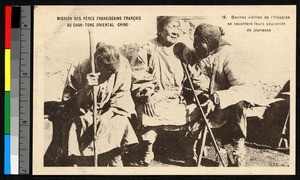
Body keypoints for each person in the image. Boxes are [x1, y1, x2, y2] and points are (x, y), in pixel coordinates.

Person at [182, 23, 254, 167]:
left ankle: (238, 148)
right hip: (206, 95)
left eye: (199, 43)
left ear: (210, 42)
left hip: (229, 97)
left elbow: (242, 87)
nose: (196, 47)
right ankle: (219, 148)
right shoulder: (199, 53)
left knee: (238, 106)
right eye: (194, 43)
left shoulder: (229, 54)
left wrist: (218, 98)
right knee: (201, 109)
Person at [63, 44, 138, 166]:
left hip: (112, 109)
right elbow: (71, 100)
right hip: (86, 110)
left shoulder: (123, 65)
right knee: (81, 122)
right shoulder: (81, 65)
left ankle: (115, 156)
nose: (111, 75)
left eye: (114, 72)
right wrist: (87, 87)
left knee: (121, 121)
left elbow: (122, 93)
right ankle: (84, 161)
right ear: (98, 64)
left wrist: (108, 114)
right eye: (108, 72)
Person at [130, 16, 189, 166]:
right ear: (160, 30)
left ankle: (190, 149)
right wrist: (148, 95)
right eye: (172, 26)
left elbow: (194, 72)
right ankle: (148, 150)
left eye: (178, 27)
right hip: (155, 96)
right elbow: (138, 72)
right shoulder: (147, 48)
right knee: (149, 113)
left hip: (176, 97)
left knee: (193, 113)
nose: (177, 31)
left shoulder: (182, 49)